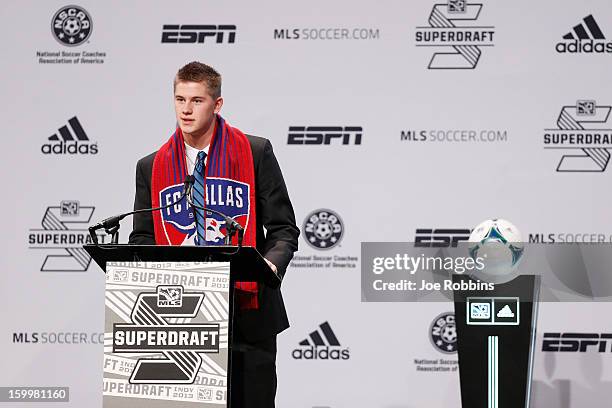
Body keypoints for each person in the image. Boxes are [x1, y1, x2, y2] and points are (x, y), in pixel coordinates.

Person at [128, 61, 299, 408]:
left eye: (197, 101)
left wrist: (268, 266)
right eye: (179, 100)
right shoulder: (151, 166)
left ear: (216, 104)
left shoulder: (255, 152)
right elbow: (142, 238)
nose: (186, 110)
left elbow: (283, 229)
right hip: (180, 318)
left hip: (248, 316)